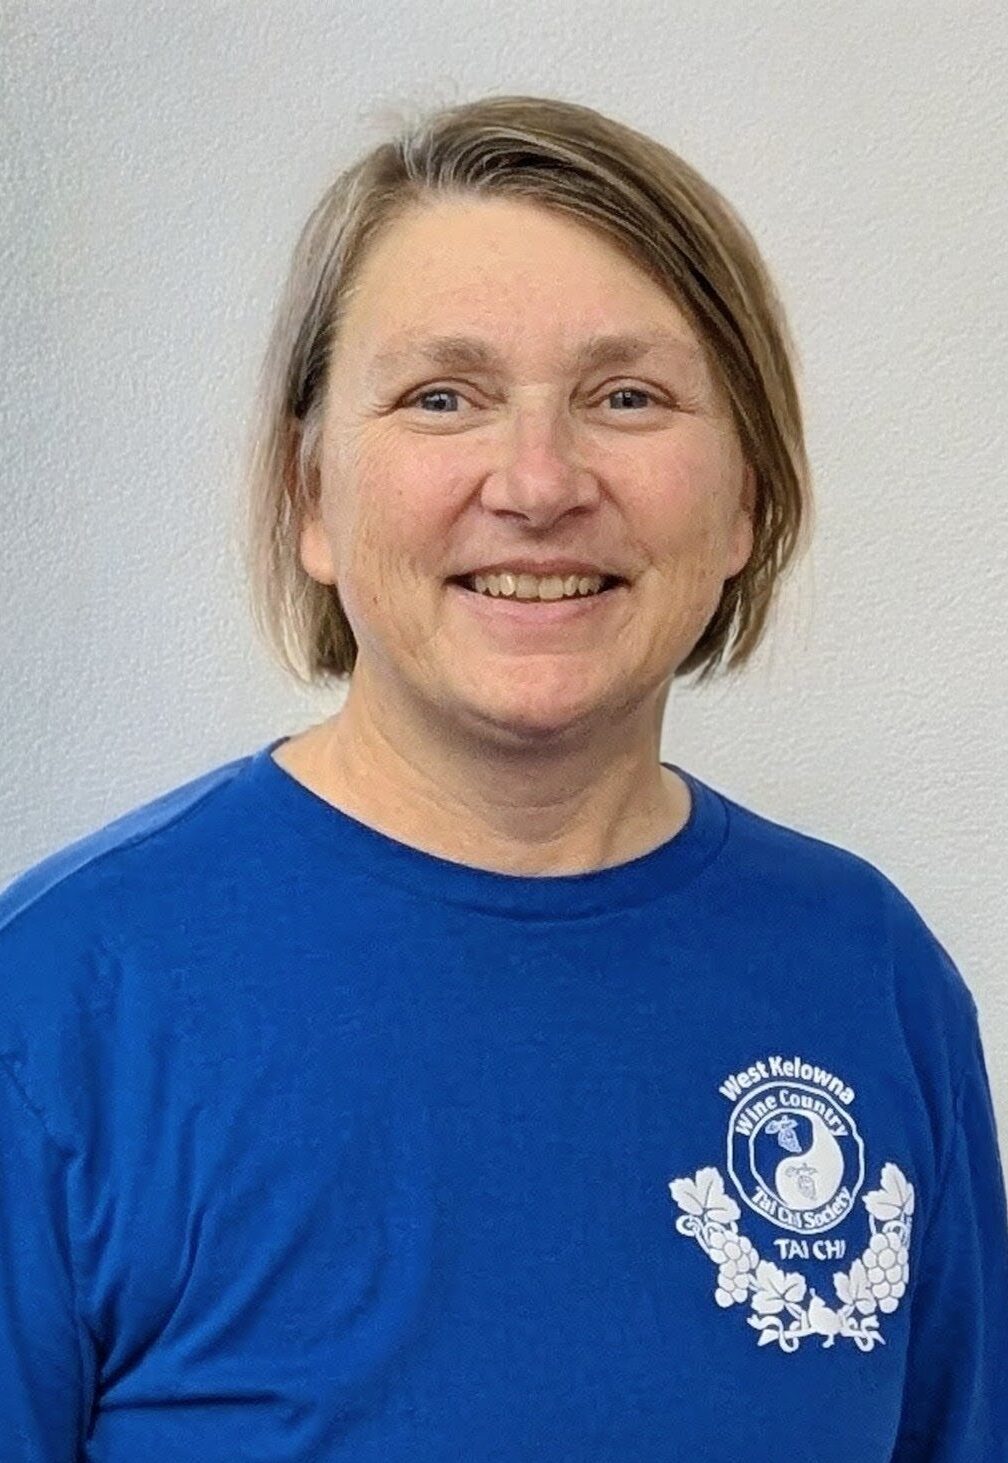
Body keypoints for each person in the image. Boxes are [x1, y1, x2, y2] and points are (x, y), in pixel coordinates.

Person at [1, 92, 1004, 1462]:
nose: (537, 482)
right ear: (310, 499)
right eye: (443, 397)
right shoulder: (63, 1009)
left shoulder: (871, 977)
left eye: (627, 397)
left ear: (748, 501)